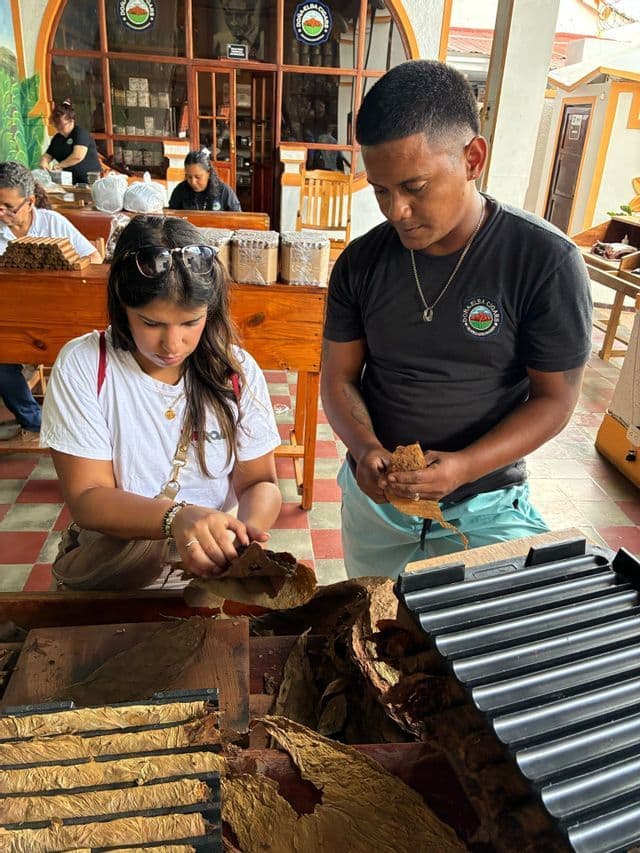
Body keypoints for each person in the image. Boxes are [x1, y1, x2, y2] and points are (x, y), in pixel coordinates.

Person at [321, 60, 592, 579]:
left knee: (493, 642)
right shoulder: (360, 263)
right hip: (378, 509)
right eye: (380, 190)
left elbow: (556, 399)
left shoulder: (542, 261)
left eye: (415, 186)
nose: (395, 211)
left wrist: (464, 466)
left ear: (473, 158)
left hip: (487, 505)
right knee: (373, 639)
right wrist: (366, 449)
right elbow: (338, 379)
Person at [40, 214, 282, 586]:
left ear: (210, 311)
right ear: (122, 306)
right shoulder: (87, 364)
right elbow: (87, 496)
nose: (172, 345)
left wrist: (240, 540)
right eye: (151, 323)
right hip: (118, 568)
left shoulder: (235, 370)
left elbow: (259, 483)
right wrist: (176, 518)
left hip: (210, 572)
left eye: (190, 323)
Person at [0, 161, 101, 444]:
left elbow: (93, 258)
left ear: (30, 201)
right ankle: (36, 422)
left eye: (9, 206)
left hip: (57, 314)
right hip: (12, 317)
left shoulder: (52, 223)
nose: (2, 212)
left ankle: (87, 423)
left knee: (87, 350)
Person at [39, 99, 102, 186]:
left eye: (61, 125)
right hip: (69, 182)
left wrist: (59, 165)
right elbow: (48, 155)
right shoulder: (57, 138)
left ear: (71, 121)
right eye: (56, 125)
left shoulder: (80, 133)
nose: (59, 128)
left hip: (89, 180)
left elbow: (77, 156)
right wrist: (44, 162)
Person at [168, 150, 241, 212]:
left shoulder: (224, 191)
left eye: (198, 177)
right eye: (189, 177)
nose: (193, 182)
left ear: (208, 173)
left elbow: (237, 219)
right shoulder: (180, 190)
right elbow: (171, 217)